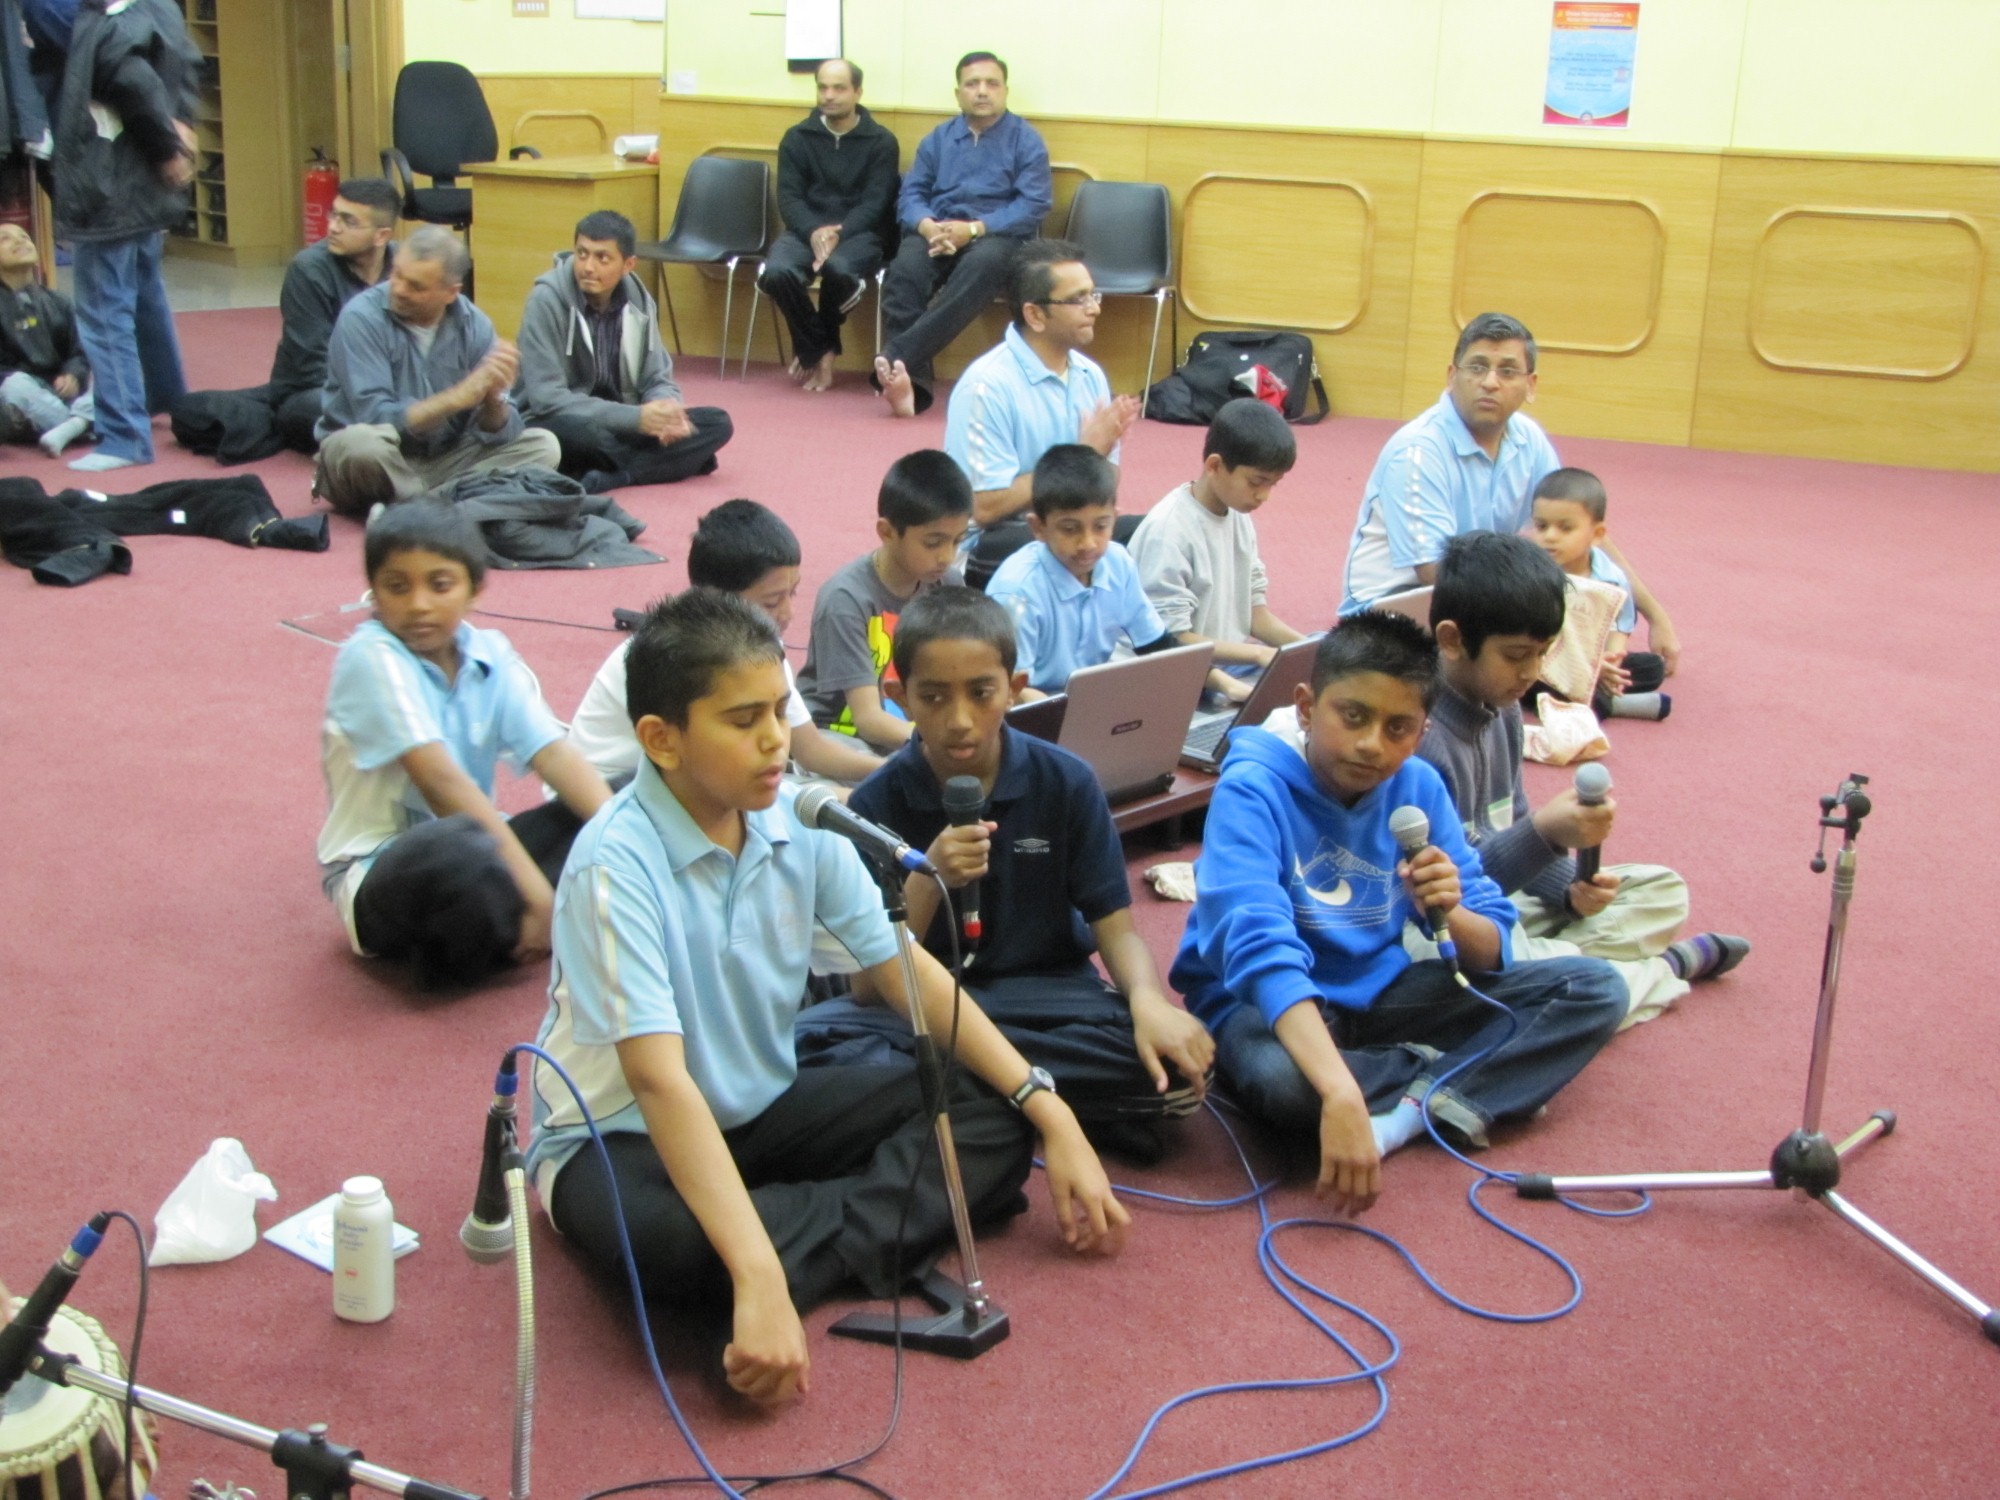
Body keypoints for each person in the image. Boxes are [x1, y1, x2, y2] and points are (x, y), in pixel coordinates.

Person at [524, 588, 1126, 1406]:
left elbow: (906, 971)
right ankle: (777, 1251)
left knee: (989, 1117)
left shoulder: (797, 816)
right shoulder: (612, 865)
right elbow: (660, 1083)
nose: (778, 740)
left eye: (780, 707)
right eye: (744, 721)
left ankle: (762, 1252)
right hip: (621, 1135)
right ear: (661, 741)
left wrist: (1050, 1109)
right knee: (672, 1249)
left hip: (762, 1105)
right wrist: (757, 1267)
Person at [1171, 612, 1627, 1212]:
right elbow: (1255, 946)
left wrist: (1449, 910)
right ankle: (1451, 1080)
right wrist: (1336, 1091)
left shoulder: (1419, 788)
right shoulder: (1252, 788)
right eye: (1352, 716)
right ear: (1307, 706)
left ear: (1421, 731)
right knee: (1287, 1088)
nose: (1371, 744)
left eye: (1398, 727)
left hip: (1381, 995)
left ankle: (1407, 1112)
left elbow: (1492, 949)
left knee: (1594, 989)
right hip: (1263, 1005)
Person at [797, 587, 1215, 1161]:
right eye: (935, 697)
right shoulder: (872, 808)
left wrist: (1146, 1000)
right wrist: (926, 876)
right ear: (900, 697)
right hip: (928, 1004)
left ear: (1015, 689)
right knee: (816, 1052)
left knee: (1172, 1071)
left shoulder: (1067, 782)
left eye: (982, 693)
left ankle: (975, 1100)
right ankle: (1042, 1099)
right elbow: (870, 989)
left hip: (1051, 995)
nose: (960, 720)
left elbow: (1115, 931)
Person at [1417, 531, 1747, 1028]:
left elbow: (1513, 821)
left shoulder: (1502, 708)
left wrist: (1570, 891)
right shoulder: (1419, 739)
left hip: (1506, 903)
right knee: (1485, 969)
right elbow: (1447, 894)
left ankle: (1568, 970)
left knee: (1663, 890)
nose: (1532, 672)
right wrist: (1546, 834)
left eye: (1543, 653)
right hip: (1449, 923)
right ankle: (1654, 971)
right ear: (1452, 639)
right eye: (1516, 655)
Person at [315, 501, 613, 987]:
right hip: (387, 868)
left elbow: (555, 756)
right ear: (374, 593)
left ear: (474, 589)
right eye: (397, 586)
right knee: (460, 855)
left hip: (489, 844)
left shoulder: (489, 652)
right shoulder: (369, 657)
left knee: (629, 797)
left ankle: (525, 920)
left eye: (440, 584)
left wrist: (635, 843)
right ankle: (544, 915)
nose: (418, 605)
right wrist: (536, 893)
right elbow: (440, 781)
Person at [1340, 313, 1681, 677]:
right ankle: (1562, 676)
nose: (1489, 382)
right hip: (1394, 612)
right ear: (1452, 377)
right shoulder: (1417, 452)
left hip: (1476, 595)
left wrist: (1655, 616)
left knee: (1575, 644)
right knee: (1520, 652)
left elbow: (1583, 534)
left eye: (1507, 371)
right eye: (1477, 367)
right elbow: (1437, 576)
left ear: (1530, 385)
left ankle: (1566, 674)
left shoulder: (1528, 439)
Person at [567, 499, 883, 789]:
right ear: (715, 600)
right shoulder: (678, 658)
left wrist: (889, 771)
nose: (788, 614)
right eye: (772, 602)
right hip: (606, 794)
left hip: (691, 775)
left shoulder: (754, 641)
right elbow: (720, 774)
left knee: (849, 762)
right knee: (823, 800)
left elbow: (810, 749)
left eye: (793, 593)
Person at [314, 225, 560, 516]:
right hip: (380, 459)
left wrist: (493, 400)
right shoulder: (361, 318)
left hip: (443, 458)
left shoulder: (474, 324)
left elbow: (500, 433)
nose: (399, 289)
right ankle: (448, 503)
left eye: (415, 286)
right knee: (362, 444)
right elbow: (377, 416)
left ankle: (419, 505)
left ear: (450, 293)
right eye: (397, 275)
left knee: (543, 445)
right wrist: (458, 397)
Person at [50, 0, 198, 472]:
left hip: (112, 183)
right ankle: (169, 402)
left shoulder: (110, 23)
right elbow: (189, 65)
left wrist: (166, 146)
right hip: (143, 185)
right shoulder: (162, 9)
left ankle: (123, 436)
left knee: (103, 311)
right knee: (144, 298)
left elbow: (133, 84)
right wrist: (183, 129)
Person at [943, 239, 1140, 587]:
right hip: (995, 541)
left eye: (1094, 295)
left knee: (1152, 534)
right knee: (1070, 549)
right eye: (1079, 299)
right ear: (1034, 314)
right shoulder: (987, 386)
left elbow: (1104, 486)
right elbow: (984, 507)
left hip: (1069, 526)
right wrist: (1084, 456)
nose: (1093, 309)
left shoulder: (1089, 375)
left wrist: (1096, 462)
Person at [872, 51, 1050, 418]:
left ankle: (896, 356)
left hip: (996, 235)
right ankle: (913, 389)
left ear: (1005, 90)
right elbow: (911, 194)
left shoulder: (1026, 140)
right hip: (936, 230)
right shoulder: (938, 139)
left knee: (981, 267)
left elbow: (1033, 204)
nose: (982, 91)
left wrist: (973, 229)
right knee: (905, 272)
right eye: (972, 84)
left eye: (991, 84)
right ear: (958, 93)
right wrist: (926, 225)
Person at [516, 209, 733, 492]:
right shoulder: (545, 301)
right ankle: (670, 463)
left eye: (602, 257)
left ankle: (617, 475)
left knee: (718, 423)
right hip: (562, 421)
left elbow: (657, 378)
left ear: (628, 264)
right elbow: (547, 399)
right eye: (582, 254)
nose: (588, 266)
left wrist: (666, 411)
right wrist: (637, 420)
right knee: (583, 436)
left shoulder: (640, 302)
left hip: (623, 422)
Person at [1127, 398, 1307, 705]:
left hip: (1228, 663)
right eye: (1257, 482)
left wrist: (1310, 650)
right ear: (1214, 466)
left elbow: (1254, 614)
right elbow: (1171, 640)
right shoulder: (1169, 531)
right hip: (1174, 676)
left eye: (1273, 484)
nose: (1264, 496)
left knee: (1316, 654)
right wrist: (1259, 653)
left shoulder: (1238, 513)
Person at [796, 449, 971, 750]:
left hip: (915, 728)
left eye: (958, 541)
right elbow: (867, 719)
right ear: (887, 532)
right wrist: (941, 742)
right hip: (841, 734)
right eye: (933, 542)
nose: (947, 556)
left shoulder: (948, 583)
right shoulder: (846, 599)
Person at [983, 444, 1175, 696]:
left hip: (1088, 702)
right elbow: (1009, 688)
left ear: (1114, 519)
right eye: (1070, 529)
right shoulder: (1017, 592)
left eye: (1100, 526)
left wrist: (1222, 683)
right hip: (1029, 710)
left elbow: (1156, 644)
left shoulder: (1118, 563)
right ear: (1038, 527)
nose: (1088, 543)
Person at [759, 58, 899, 393]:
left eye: (838, 87)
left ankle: (820, 348)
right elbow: (789, 198)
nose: (829, 95)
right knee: (776, 272)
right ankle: (819, 347)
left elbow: (875, 203)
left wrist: (839, 233)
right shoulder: (796, 138)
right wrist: (814, 232)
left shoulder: (881, 141)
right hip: (804, 231)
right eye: (822, 87)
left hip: (860, 233)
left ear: (857, 91)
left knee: (838, 270)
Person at [1530, 467, 1678, 720]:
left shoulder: (1611, 577)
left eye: (1565, 529)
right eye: (1542, 526)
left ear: (1597, 534)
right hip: (1545, 661)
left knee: (1652, 668)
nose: (1550, 537)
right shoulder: (1531, 570)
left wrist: (1608, 663)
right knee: (1526, 677)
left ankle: (1594, 697)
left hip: (1592, 659)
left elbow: (1619, 628)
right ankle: (1611, 704)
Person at [266, 177, 400, 453]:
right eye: (334, 214)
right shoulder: (308, 270)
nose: (333, 227)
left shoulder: (404, 268)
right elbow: (311, 365)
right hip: (315, 392)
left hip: (387, 388)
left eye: (348, 221)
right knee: (352, 416)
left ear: (382, 236)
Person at [0, 220, 93, 457]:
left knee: (120, 361)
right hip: (19, 398)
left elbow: (79, 351)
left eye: (24, 236)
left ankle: (73, 425)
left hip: (64, 395)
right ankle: (83, 423)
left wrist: (72, 374)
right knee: (16, 386)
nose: (20, 240)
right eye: (5, 239)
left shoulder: (58, 301)